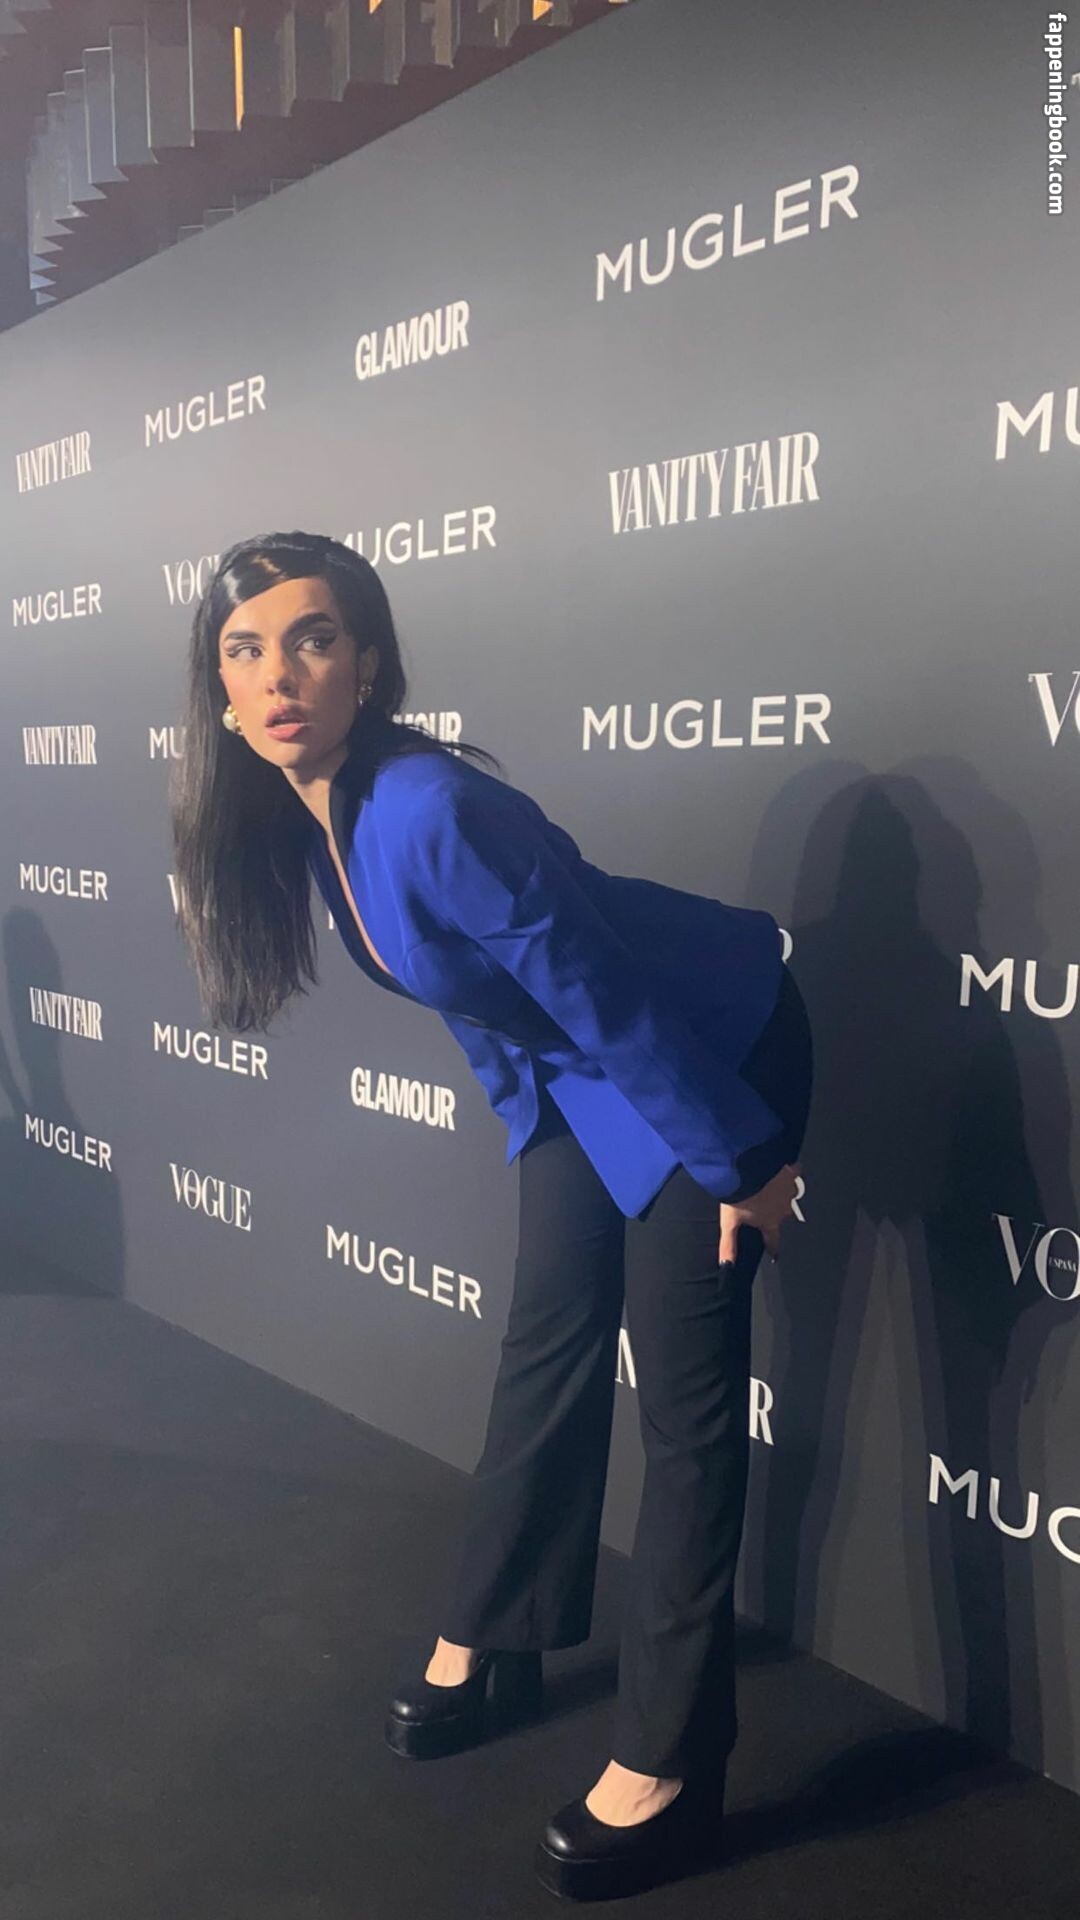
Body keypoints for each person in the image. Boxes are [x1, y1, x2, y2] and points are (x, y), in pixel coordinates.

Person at [171, 529, 813, 1903]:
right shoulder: (316, 812)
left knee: (687, 1404)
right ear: (218, 692)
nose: (279, 675)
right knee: (546, 1339)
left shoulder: (429, 809)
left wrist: (740, 1160)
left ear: (368, 663)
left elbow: (609, 995)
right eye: (245, 650)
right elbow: (484, 1002)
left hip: (710, 1049)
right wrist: (534, 1134)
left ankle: (674, 1760)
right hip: (586, 1071)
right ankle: (501, 1632)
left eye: (313, 639)